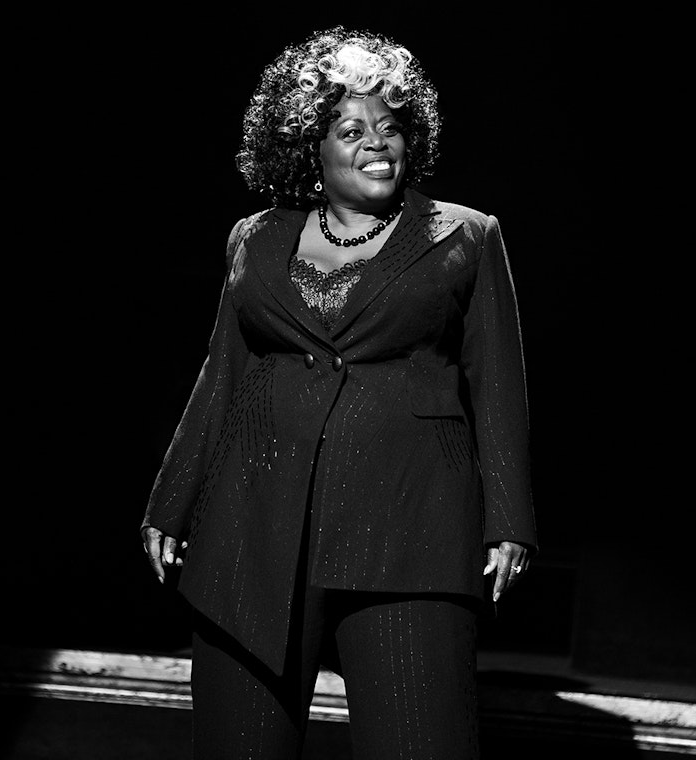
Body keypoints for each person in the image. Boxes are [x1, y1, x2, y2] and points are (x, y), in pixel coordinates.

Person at [140, 26, 537, 759]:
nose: (375, 144)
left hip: (409, 527)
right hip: (252, 525)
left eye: (390, 127)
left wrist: (509, 520)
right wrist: (172, 498)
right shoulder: (254, 237)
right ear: (308, 148)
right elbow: (222, 372)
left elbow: (498, 384)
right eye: (351, 129)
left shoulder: (465, 236)